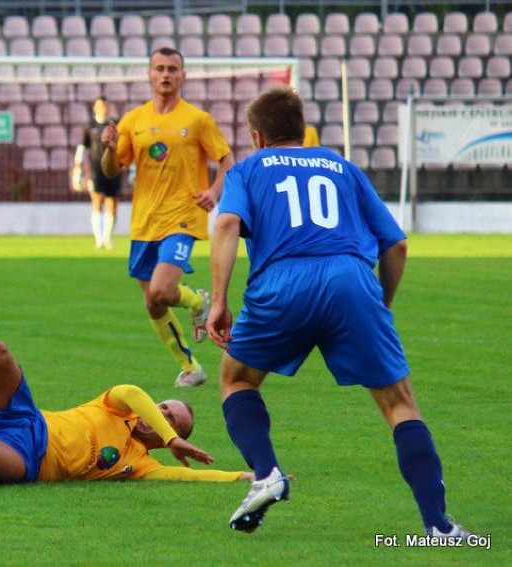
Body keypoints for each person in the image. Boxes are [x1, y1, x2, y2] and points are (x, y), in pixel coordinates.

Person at [206, 86, 471, 538]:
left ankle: (267, 474)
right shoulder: (342, 167)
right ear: (302, 131)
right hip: (352, 280)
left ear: (258, 137)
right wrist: (377, 307)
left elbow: (227, 222)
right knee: (400, 404)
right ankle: (438, 525)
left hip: (281, 282)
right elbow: (398, 244)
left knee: (237, 379)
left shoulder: (248, 169)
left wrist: (218, 301)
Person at [0, 299, 253, 484]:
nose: (165, 415)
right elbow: (132, 390)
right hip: (24, 416)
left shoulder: (139, 464)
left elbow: (185, 479)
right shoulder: (117, 406)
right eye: (166, 408)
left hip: (26, 458)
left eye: (173, 421)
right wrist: (172, 437)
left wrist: (241, 478)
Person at [100, 47, 234, 388]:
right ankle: (190, 367)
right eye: (159, 68)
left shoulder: (198, 120)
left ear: (183, 76)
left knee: (162, 289)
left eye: (173, 69)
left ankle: (196, 299)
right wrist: (109, 147)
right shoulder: (134, 120)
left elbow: (226, 160)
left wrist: (215, 191)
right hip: (145, 221)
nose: (165, 74)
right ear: (149, 74)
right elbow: (113, 169)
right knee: (153, 303)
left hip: (184, 217)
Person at [72, 97, 122, 250]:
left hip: (113, 168)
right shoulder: (89, 126)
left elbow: (124, 145)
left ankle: (108, 238)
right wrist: (78, 167)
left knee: (112, 203)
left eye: (105, 105)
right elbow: (82, 147)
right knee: (97, 200)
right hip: (95, 169)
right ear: (95, 108)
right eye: (100, 106)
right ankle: (99, 239)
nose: (103, 108)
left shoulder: (115, 124)